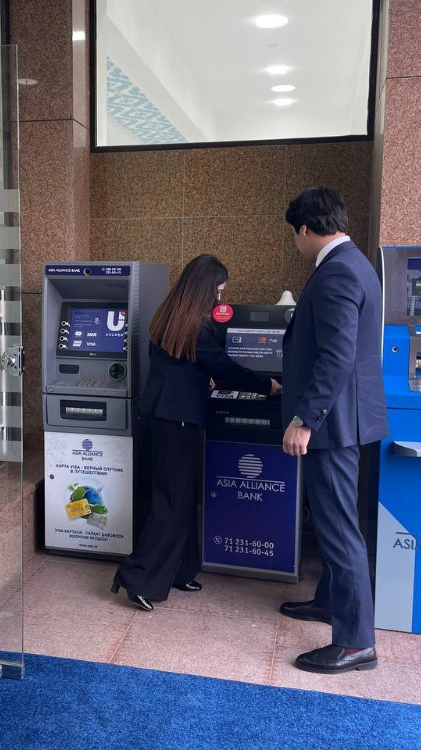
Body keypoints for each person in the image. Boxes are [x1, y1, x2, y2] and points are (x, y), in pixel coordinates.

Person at [111, 254, 281, 611]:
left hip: (162, 414)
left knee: (182, 498)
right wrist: (268, 385)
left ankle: (180, 570)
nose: (220, 297)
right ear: (204, 289)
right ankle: (136, 578)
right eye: (218, 290)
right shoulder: (197, 327)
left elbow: (180, 365)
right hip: (179, 420)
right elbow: (228, 369)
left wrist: (201, 378)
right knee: (172, 501)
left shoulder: (168, 316)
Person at [278, 187, 388, 674]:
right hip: (345, 421)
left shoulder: (337, 271)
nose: (296, 243)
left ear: (305, 229)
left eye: (294, 235)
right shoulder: (356, 263)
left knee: (340, 529)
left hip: (332, 425)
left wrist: (305, 419)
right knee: (334, 521)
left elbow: (337, 356)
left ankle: (356, 642)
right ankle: (329, 601)